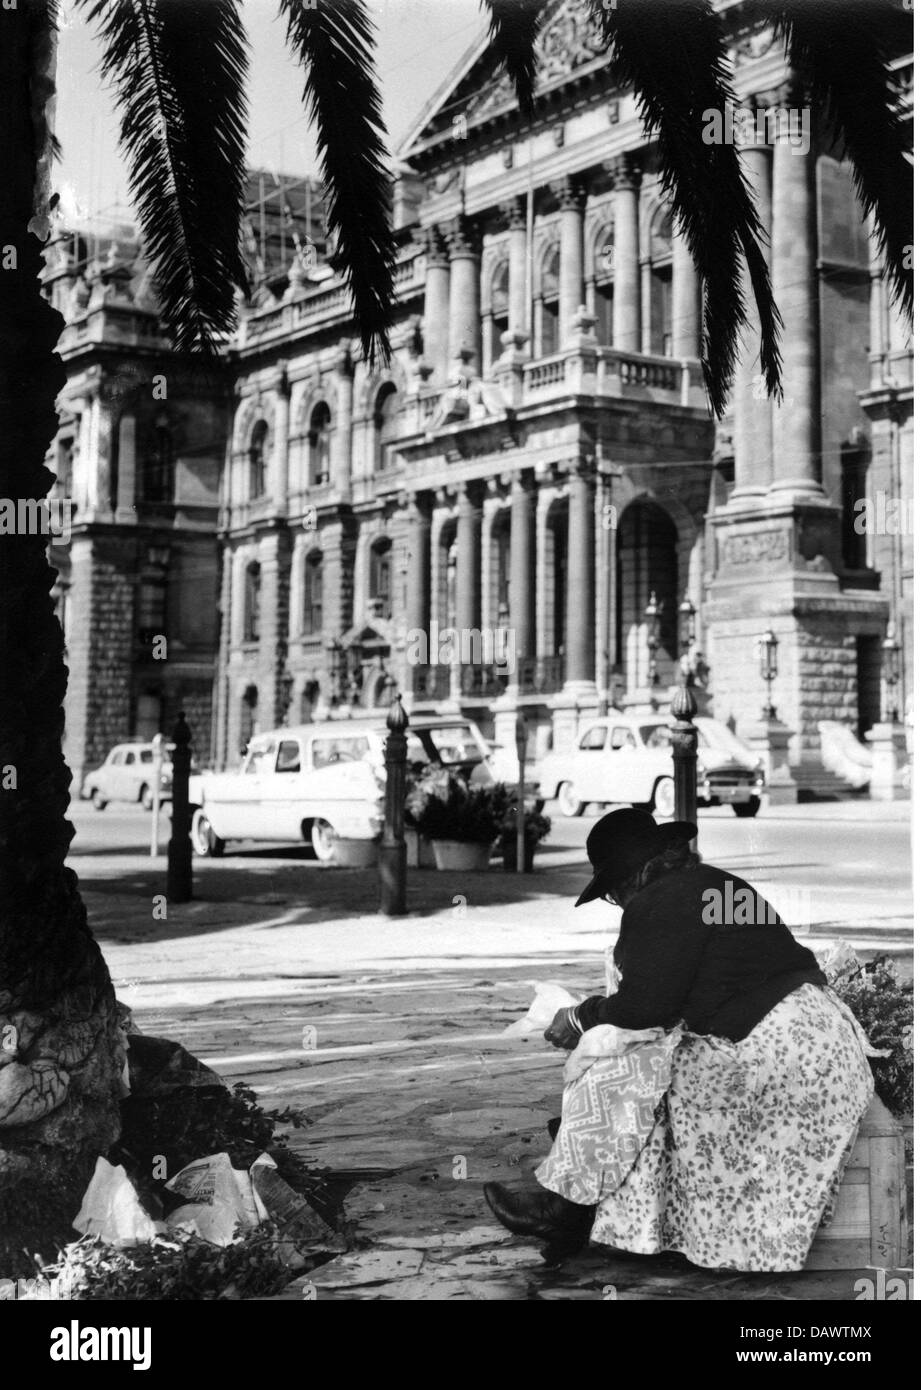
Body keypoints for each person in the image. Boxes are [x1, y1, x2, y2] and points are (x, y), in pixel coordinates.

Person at [484, 808, 875, 1271]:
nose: (617, 899)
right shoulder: (717, 884)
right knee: (643, 1064)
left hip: (779, 1057)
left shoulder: (661, 900)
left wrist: (579, 1016)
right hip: (822, 1046)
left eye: (612, 890)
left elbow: (643, 1008)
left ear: (632, 875)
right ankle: (582, 1195)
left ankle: (565, 1212)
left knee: (625, 1068)